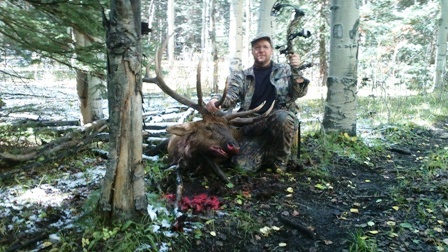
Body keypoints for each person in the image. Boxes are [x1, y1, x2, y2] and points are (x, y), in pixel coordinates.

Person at [206, 33, 310, 172]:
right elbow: (231, 96)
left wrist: (297, 71)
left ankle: (280, 162)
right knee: (242, 167)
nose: (261, 50)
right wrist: (217, 102)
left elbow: (299, 93)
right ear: (252, 51)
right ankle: (267, 150)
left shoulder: (285, 71)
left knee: (282, 117)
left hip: (278, 121)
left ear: (271, 50)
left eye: (265, 47)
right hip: (253, 124)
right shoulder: (242, 76)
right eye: (257, 47)